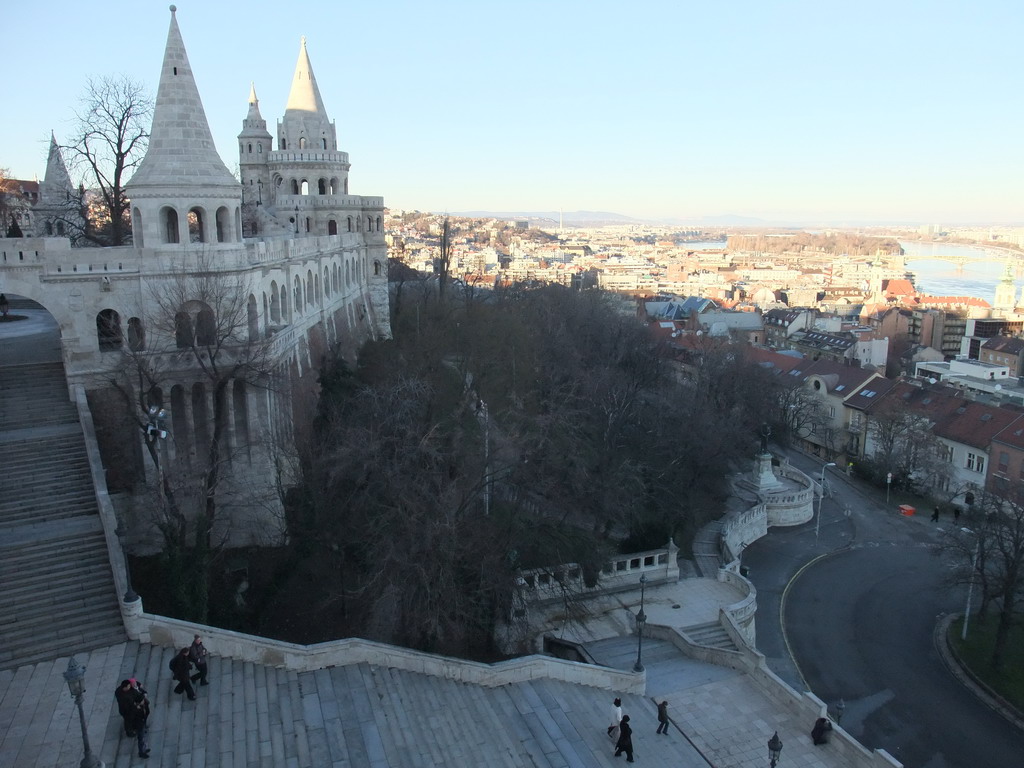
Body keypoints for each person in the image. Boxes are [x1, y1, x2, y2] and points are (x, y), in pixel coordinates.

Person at [125, 684, 151, 758]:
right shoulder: (135, 710)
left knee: (143, 738)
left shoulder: (141, 706)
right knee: (141, 739)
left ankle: (144, 749)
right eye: (142, 700)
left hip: (141, 724)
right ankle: (141, 752)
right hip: (139, 726)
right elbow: (133, 718)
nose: (144, 701)